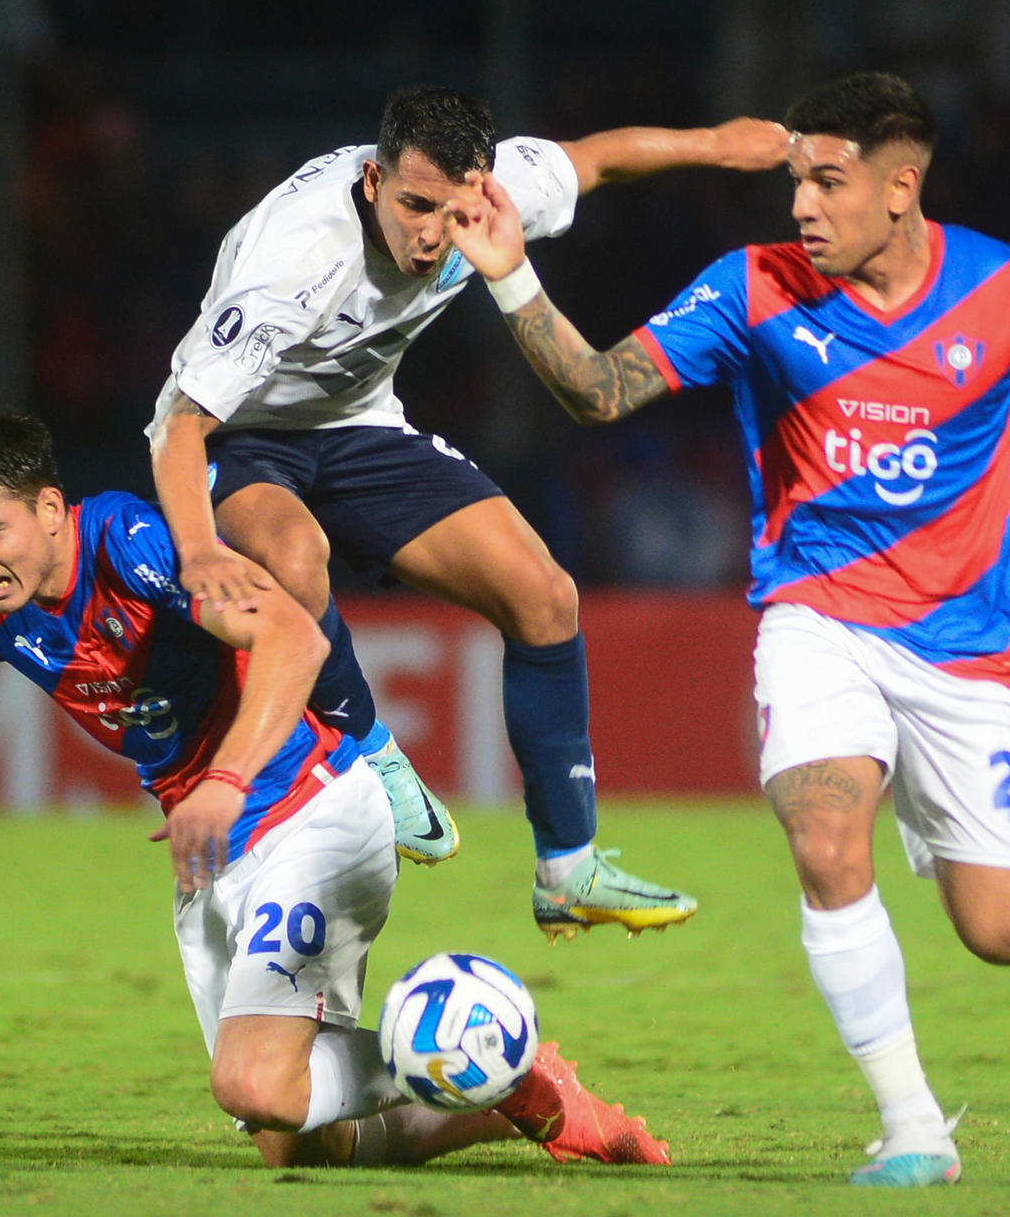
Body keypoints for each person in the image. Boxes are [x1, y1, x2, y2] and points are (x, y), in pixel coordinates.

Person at [438, 71, 1010, 1186]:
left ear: (902, 189)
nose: (801, 205)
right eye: (797, 179)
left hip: (962, 650)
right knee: (825, 835)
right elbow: (601, 391)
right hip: (815, 619)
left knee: (1003, 930)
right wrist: (510, 278)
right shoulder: (755, 289)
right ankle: (914, 1127)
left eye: (827, 182)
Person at [0, 410, 671, 1169]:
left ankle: (490, 1054)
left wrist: (227, 777)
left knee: (252, 1077)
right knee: (297, 1138)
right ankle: (508, 1094)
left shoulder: (135, 544)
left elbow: (293, 633)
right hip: (213, 848)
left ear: (47, 507)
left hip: (309, 810)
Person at [148, 85, 790, 936]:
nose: (431, 232)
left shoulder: (490, 201)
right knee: (296, 556)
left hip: (359, 426)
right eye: (414, 205)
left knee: (546, 596)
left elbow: (597, 157)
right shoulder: (296, 254)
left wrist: (717, 142)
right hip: (239, 433)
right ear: (375, 182)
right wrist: (197, 548)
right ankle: (372, 756)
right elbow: (184, 424)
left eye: (453, 211)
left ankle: (569, 869)